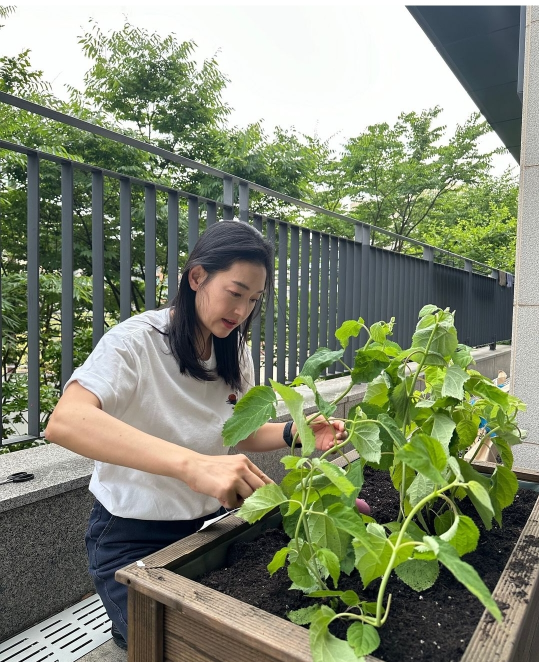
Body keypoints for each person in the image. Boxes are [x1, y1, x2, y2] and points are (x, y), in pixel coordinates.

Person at [45, 220, 346, 650]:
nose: (242, 311)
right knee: (173, 645)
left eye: (254, 300)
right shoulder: (136, 342)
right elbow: (65, 421)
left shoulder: (233, 349)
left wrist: (295, 431)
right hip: (131, 536)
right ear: (197, 277)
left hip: (205, 531)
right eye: (236, 292)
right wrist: (192, 464)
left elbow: (234, 433)